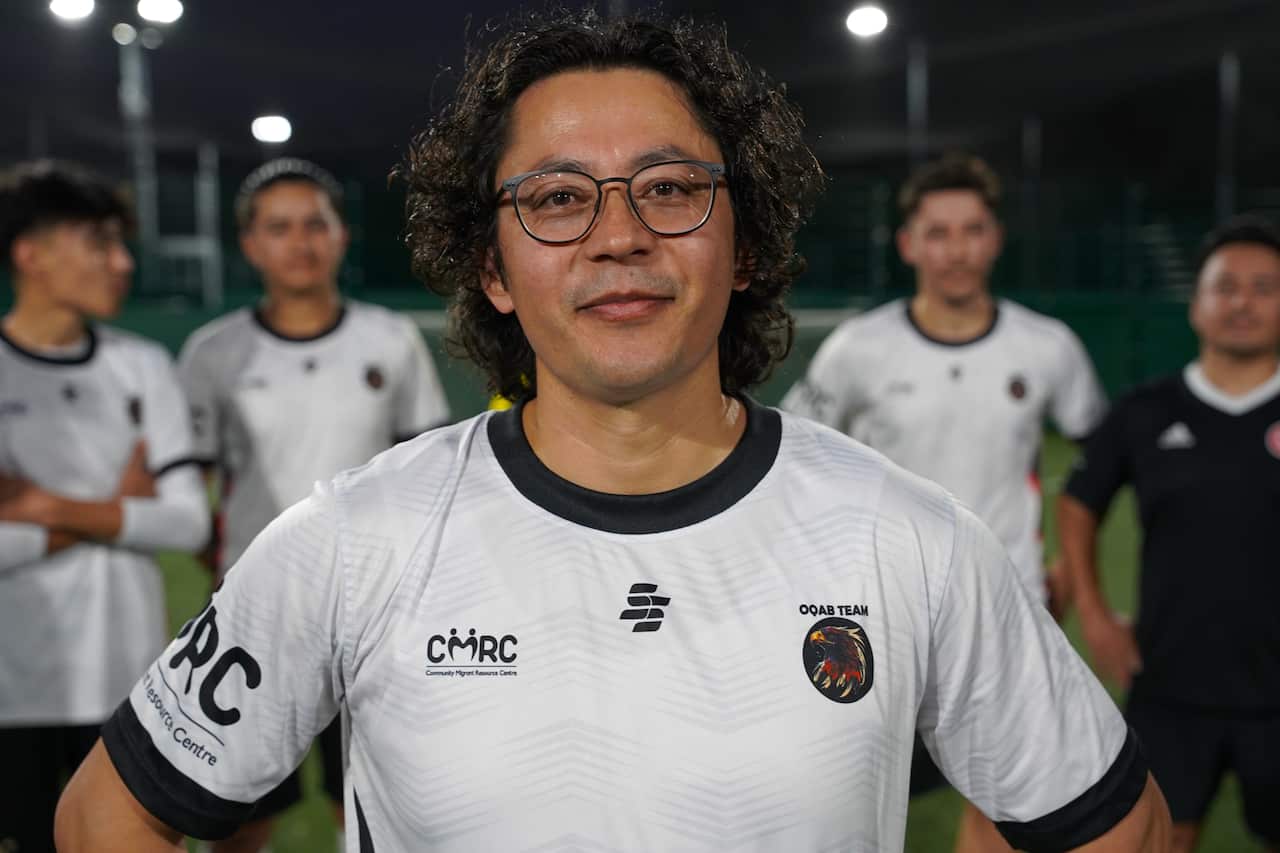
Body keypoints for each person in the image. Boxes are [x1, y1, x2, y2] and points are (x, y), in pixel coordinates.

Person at [56, 11, 1168, 851]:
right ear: (490, 266)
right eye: (555, 199)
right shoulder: (351, 537)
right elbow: (108, 813)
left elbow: (1118, 827)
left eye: (671, 187)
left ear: (743, 238)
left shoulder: (911, 537)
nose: (618, 235)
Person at [780, 153, 1108, 851]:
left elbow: (1100, 458)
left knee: (1000, 804)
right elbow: (794, 461)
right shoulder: (856, 350)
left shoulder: (1048, 347)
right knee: (843, 800)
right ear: (908, 244)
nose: (955, 249)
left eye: (972, 229)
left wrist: (1073, 576)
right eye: (937, 232)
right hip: (882, 611)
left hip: (1008, 605)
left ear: (995, 238)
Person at [177, 157, 451, 852]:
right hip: (254, 614)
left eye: (314, 224)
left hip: (374, 614)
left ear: (340, 235)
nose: (299, 242)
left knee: (374, 804)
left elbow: (425, 476)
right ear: (250, 244)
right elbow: (188, 495)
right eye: (279, 227)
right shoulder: (213, 353)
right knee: (239, 812)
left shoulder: (390, 339)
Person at [0, 160, 209, 851]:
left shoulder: (143, 363)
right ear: (30, 254)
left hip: (130, 687)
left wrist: (38, 503)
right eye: (98, 243)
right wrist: (115, 511)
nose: (122, 263)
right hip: (13, 689)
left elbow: (187, 520)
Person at [1059, 215, 1280, 853]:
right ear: (1197, 305)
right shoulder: (1144, 411)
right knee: (1156, 840)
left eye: (1265, 287)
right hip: (1171, 687)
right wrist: (1097, 617)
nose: (1243, 302)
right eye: (1227, 287)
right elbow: (1077, 505)